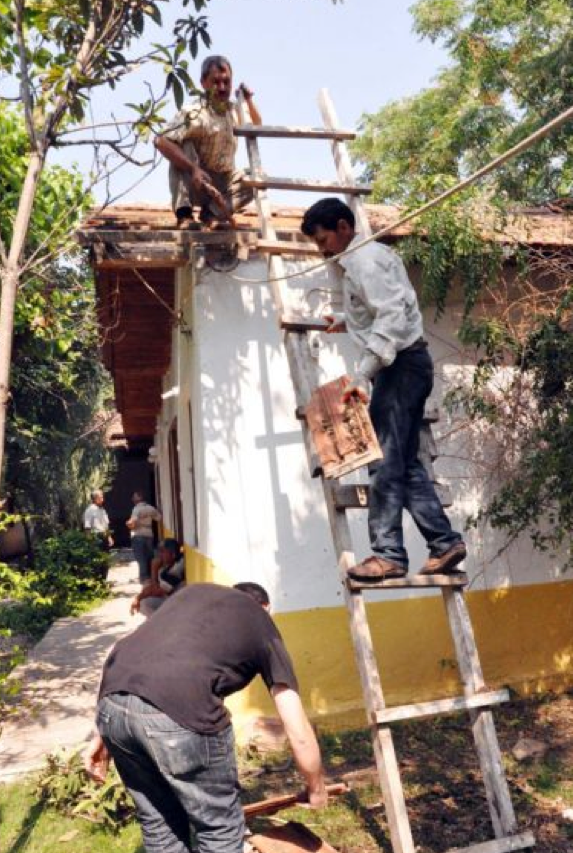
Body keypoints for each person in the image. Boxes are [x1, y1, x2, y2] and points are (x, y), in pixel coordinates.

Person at [85, 581, 328, 853]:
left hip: (113, 703)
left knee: (158, 823)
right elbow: (297, 729)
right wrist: (316, 787)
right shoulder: (260, 622)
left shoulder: (192, 594)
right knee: (219, 830)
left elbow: (121, 649)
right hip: (180, 712)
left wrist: (101, 732)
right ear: (265, 607)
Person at [301, 198, 467, 582]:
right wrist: (347, 320)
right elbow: (391, 308)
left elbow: (391, 316)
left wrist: (362, 372)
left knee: (383, 463)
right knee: (404, 464)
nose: (321, 248)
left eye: (324, 239)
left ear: (344, 226)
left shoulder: (364, 261)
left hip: (399, 368)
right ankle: (444, 543)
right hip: (408, 365)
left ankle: (388, 555)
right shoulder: (367, 257)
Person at [154, 54, 261, 229]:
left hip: (222, 185)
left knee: (256, 176)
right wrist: (193, 169)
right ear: (203, 83)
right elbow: (160, 141)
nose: (222, 87)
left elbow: (256, 126)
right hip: (196, 181)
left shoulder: (233, 111)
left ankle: (211, 213)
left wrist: (248, 101)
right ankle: (184, 214)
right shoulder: (193, 112)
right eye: (216, 82)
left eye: (226, 82)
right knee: (181, 145)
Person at [130, 538, 185, 617]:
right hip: (169, 595)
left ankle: (159, 623)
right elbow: (153, 586)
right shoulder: (168, 565)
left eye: (163, 552)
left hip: (176, 603)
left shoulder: (176, 569)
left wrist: (154, 569)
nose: (160, 555)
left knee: (144, 604)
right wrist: (139, 597)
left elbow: (157, 591)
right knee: (147, 584)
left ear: (173, 554)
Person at [126, 491, 161, 585]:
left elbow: (133, 520)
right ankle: (151, 576)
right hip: (149, 534)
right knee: (149, 556)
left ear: (138, 498)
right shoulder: (150, 508)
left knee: (141, 558)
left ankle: (144, 578)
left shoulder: (136, 509)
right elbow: (158, 518)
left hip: (138, 534)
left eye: (134, 497)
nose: (132, 499)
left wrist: (128, 523)